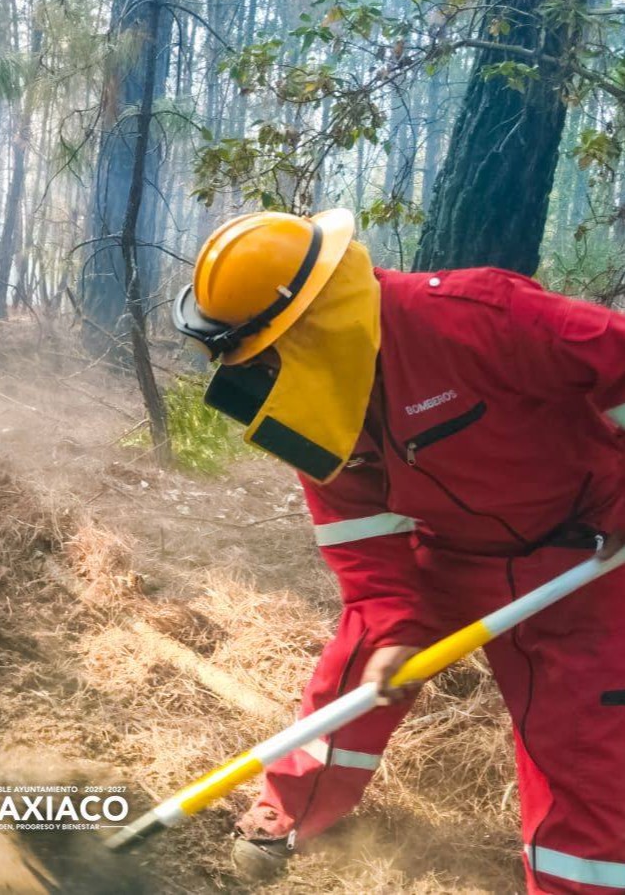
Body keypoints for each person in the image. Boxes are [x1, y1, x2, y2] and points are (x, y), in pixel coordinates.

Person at [170, 209, 625, 893]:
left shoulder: (479, 316)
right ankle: (288, 812)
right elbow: (355, 527)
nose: (260, 374)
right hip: (448, 554)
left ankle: (580, 884)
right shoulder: (311, 397)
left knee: (583, 736)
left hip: (586, 555)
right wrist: (391, 622)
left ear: (313, 324)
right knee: (356, 675)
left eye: (264, 356)